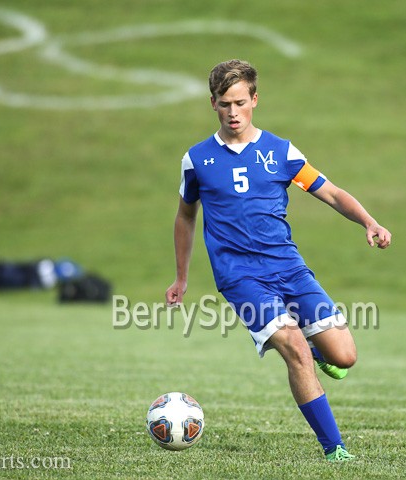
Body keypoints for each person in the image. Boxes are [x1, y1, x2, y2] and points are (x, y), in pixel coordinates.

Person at [166, 59, 391, 462]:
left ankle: (316, 350)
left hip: (288, 267)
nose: (232, 113)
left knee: (344, 356)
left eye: (239, 102)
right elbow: (185, 215)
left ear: (255, 99)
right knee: (294, 348)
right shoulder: (197, 160)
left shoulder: (280, 152)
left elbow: (332, 193)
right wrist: (182, 277)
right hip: (240, 277)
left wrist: (369, 222)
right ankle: (334, 449)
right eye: (223, 104)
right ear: (212, 104)